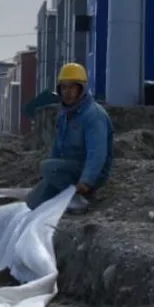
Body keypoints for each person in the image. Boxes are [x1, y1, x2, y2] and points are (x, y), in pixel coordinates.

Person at [26, 62, 113, 212]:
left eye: (72, 87)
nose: (68, 92)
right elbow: (56, 147)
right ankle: (65, 196)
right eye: (64, 87)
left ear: (82, 89)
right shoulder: (64, 115)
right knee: (33, 203)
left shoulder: (93, 115)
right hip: (67, 171)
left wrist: (87, 181)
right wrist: (50, 175)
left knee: (47, 167)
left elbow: (97, 153)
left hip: (89, 172)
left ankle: (78, 201)